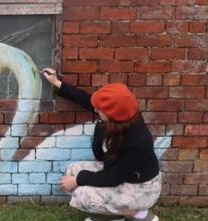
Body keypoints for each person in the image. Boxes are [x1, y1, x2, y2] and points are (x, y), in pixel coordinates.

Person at [42, 68, 162, 221]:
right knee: (73, 170)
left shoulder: (138, 142)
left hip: (142, 188)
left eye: (100, 109)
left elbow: (114, 177)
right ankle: (115, 215)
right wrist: (56, 83)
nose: (95, 109)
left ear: (113, 114)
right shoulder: (120, 115)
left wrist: (78, 180)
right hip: (122, 175)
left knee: (82, 195)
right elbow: (88, 101)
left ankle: (140, 214)